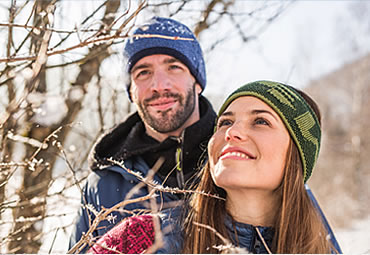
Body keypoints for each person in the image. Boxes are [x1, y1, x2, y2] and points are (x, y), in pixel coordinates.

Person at [87, 81, 342, 254]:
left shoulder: (320, 248)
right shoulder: (140, 240)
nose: (232, 132)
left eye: (261, 121)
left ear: (297, 156)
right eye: (225, 122)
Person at [68, 16, 217, 253]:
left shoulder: (236, 160)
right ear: (131, 91)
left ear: (197, 81)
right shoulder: (102, 184)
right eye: (143, 72)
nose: (159, 85)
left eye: (174, 67)